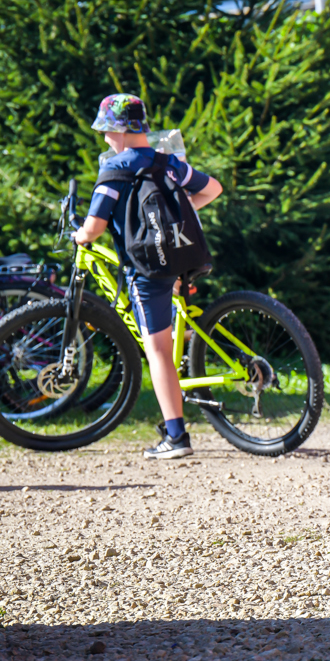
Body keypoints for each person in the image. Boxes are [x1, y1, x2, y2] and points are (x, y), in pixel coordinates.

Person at [72, 94, 223, 460]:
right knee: (167, 335)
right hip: (182, 256)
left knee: (157, 351)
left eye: (106, 129)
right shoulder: (167, 161)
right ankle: (187, 345)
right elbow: (213, 189)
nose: (104, 136)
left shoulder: (114, 170)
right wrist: (177, 216)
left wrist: (79, 235)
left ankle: (176, 436)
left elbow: (94, 227)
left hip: (148, 268)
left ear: (120, 130)